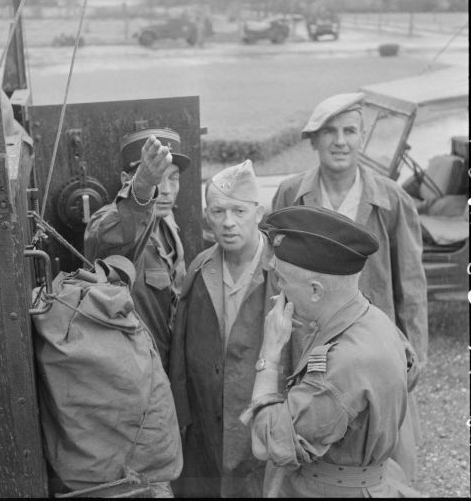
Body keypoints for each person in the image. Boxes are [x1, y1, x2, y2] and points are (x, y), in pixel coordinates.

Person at [271, 92, 427, 479]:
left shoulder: (391, 199)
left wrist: (415, 355)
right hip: (307, 350)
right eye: (329, 132)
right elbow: (275, 278)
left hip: (373, 352)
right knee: (304, 452)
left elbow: (411, 285)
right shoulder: (291, 195)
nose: (339, 141)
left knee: (382, 461)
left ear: (361, 138)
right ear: (313, 139)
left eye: (349, 131)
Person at [240, 205, 420, 498]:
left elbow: (265, 445)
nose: (279, 292)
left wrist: (269, 355)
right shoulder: (372, 319)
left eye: (283, 282)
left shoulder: (341, 364)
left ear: (315, 291)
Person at [169, 160, 286, 498]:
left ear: (259, 212)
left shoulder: (283, 273)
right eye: (218, 211)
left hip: (263, 426)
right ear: (207, 215)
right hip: (208, 425)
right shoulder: (199, 269)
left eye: (239, 210)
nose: (228, 222)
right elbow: (179, 355)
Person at [84, 128, 190, 373]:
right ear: (125, 180)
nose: (165, 190)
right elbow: (109, 234)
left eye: (172, 178)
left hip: (169, 365)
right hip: (135, 374)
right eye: (156, 178)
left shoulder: (168, 221)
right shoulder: (113, 223)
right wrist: (142, 186)